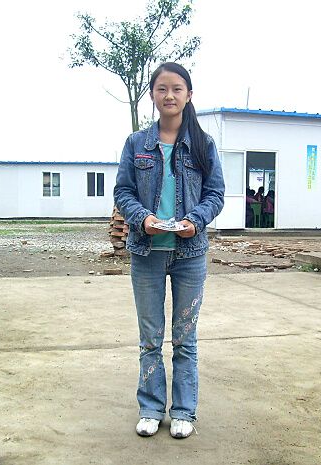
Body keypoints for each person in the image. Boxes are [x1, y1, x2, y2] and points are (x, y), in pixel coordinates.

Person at [114, 62, 225, 439]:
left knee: (184, 338)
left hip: (189, 254)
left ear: (189, 95)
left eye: (177, 89)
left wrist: (196, 219)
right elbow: (123, 191)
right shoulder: (136, 144)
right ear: (152, 95)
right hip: (147, 252)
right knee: (150, 338)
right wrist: (142, 218)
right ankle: (150, 408)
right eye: (162, 89)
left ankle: (183, 411)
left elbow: (215, 194)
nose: (170, 95)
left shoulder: (203, 144)